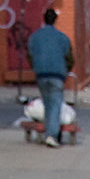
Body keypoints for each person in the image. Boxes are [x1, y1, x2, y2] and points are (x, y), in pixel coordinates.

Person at [26, 8, 74, 149]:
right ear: (55, 20)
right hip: (57, 74)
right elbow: (69, 58)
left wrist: (36, 67)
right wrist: (65, 70)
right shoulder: (62, 38)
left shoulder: (35, 37)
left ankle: (49, 132)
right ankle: (52, 135)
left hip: (41, 74)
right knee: (55, 105)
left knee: (47, 104)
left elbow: (30, 55)